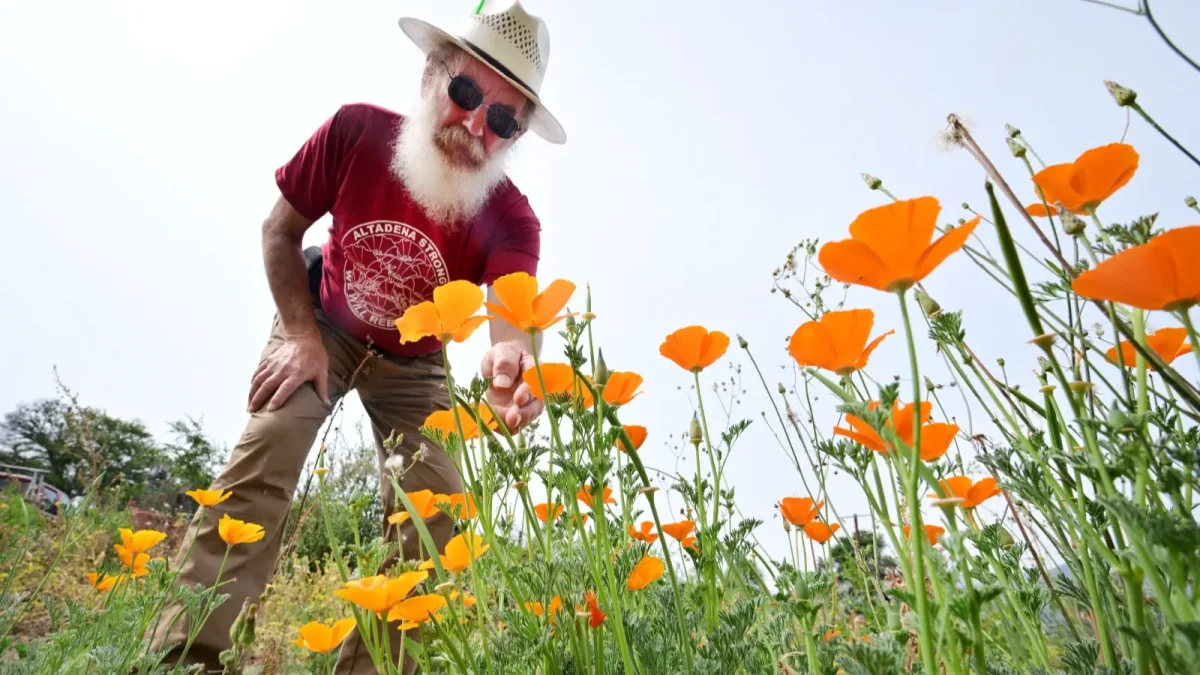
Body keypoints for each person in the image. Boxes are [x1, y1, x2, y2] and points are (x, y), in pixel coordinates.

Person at [149, 1, 566, 672]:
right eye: (466, 93)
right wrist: (298, 334)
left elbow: (511, 319)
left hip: (416, 364)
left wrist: (513, 362)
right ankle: (183, 658)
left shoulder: (512, 219)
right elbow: (279, 231)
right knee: (270, 446)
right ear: (432, 74)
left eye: (501, 120)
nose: (474, 125)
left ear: (514, 136)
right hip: (321, 321)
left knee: (436, 512)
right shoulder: (356, 132)